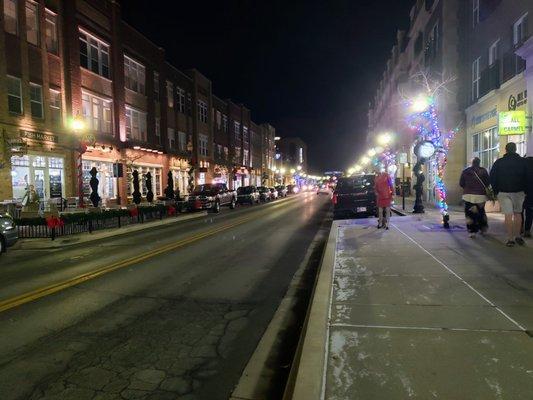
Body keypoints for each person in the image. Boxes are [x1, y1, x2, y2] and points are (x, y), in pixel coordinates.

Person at [490, 142, 527, 247]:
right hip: (519, 192)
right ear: (515, 150)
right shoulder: (522, 162)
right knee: (518, 214)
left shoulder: (499, 162)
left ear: (506, 150)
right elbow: (527, 176)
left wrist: (496, 190)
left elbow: (492, 177)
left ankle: (510, 239)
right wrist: (526, 190)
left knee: (508, 215)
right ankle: (518, 236)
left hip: (503, 192)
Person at [459, 157, 489, 238]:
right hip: (481, 196)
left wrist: (468, 187)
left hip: (468, 196)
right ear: (479, 163)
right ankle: (483, 228)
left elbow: (461, 183)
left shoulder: (465, 171)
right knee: (481, 211)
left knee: (469, 213)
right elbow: (487, 183)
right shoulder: (483, 171)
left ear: (472, 163)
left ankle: (472, 231)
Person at [523, 156, 533, 237]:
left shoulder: (522, 169)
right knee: (530, 213)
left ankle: (519, 228)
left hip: (521, 193)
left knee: (519, 212)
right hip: (531, 195)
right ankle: (527, 230)